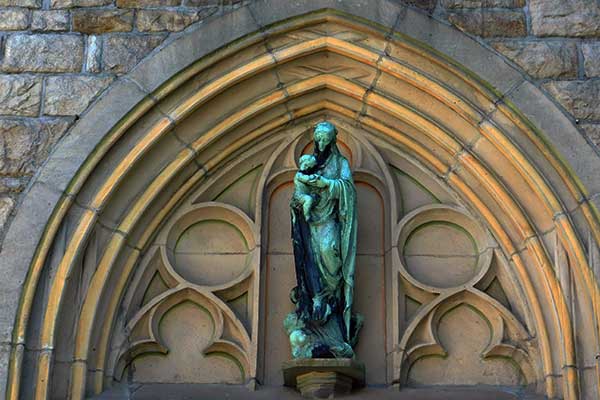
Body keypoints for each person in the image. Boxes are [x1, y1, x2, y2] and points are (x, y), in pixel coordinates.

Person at [285, 121, 362, 359]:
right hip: (311, 222)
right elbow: (298, 192)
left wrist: (326, 184)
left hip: (330, 219)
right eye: (319, 136)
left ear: (333, 138)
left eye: (326, 136)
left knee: (330, 253)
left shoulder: (340, 163)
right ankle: (316, 300)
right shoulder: (310, 163)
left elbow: (348, 189)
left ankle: (331, 300)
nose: (322, 140)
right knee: (311, 258)